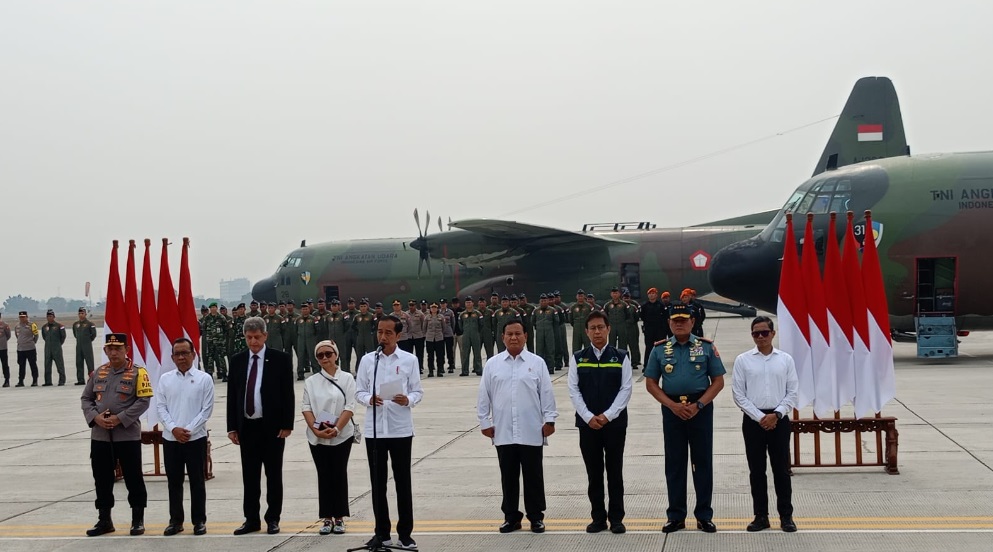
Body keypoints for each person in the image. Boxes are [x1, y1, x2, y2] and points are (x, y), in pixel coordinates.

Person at [644, 303, 725, 533]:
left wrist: (699, 405)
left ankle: (704, 515)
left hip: (700, 409)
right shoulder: (659, 349)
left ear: (693, 322)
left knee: (702, 463)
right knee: (675, 464)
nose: (679, 323)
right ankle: (676, 516)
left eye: (684, 319)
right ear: (669, 323)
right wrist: (671, 406)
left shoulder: (706, 347)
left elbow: (718, 381)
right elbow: (651, 383)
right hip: (672, 411)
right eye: (675, 320)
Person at [477, 320, 558, 534]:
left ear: (526, 336)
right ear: (502, 337)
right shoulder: (492, 364)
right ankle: (511, 516)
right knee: (508, 476)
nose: (514, 337)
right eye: (510, 334)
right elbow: (483, 395)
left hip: (532, 429)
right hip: (503, 430)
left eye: (518, 333)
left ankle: (536, 517)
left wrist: (550, 420)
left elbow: (547, 394)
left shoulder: (537, 362)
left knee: (533, 475)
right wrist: (485, 422)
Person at [355, 315, 424, 551]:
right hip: (375, 431)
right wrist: (368, 399)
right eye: (379, 332)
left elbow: (417, 391)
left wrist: (408, 400)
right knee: (378, 484)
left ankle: (405, 534)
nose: (382, 337)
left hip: (400, 430)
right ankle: (381, 533)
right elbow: (359, 391)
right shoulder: (367, 360)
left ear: (398, 335)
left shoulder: (409, 360)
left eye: (388, 333)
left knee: (403, 483)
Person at [226, 317, 295, 536]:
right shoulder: (237, 361)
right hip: (247, 427)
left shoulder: (280, 359)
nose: (253, 342)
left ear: (265, 336)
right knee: (250, 476)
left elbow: (288, 395)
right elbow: (232, 397)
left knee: (274, 476)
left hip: (273, 428)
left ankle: (273, 518)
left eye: (257, 337)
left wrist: (287, 424)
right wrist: (232, 427)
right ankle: (251, 519)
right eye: (249, 338)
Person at [80, 333, 153, 537]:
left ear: (126, 350)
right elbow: (86, 399)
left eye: (118, 349)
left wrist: (120, 418)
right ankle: (104, 520)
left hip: (127, 436)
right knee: (102, 478)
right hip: (100, 436)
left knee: (133, 478)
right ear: (105, 351)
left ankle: (137, 520)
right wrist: (96, 417)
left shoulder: (138, 373)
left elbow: (144, 400)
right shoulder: (98, 373)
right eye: (109, 349)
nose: (113, 353)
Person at [567, 311, 633, 534]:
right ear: (586, 332)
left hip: (614, 425)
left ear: (608, 329)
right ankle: (598, 518)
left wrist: (608, 415)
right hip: (588, 426)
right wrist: (588, 416)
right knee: (594, 473)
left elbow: (626, 389)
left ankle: (616, 518)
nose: (597, 332)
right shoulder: (578, 357)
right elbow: (573, 390)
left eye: (600, 327)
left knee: (615, 472)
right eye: (592, 328)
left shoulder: (621, 356)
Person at [731, 316, 798, 533]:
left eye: (764, 333)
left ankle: (786, 516)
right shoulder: (743, 360)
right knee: (757, 471)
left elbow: (793, 392)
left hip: (779, 419)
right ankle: (761, 516)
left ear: (773, 334)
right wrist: (760, 416)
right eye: (756, 333)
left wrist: (776, 414)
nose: (760, 337)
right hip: (753, 421)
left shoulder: (786, 359)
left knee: (781, 470)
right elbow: (738, 394)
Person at [156, 338, 214, 536]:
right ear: (172, 357)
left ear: (193, 354)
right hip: (171, 439)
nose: (181, 357)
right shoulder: (165, 379)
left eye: (185, 353)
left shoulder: (204, 379)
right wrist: (173, 429)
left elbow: (206, 410)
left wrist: (187, 430)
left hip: (195, 438)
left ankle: (199, 521)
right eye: (177, 354)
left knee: (197, 481)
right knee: (174, 481)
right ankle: (175, 521)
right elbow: (161, 407)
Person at [302, 340, 356, 536]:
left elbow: (350, 406)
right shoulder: (311, 381)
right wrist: (316, 430)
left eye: (328, 354)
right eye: (320, 355)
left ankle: (340, 517)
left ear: (336, 355)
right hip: (317, 435)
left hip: (342, 434)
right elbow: (306, 407)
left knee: (339, 473)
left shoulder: (347, 378)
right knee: (323, 475)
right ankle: (326, 517)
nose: (325, 358)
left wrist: (337, 428)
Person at [202, 303, 228, 381]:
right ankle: (210, 374)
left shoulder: (221, 317)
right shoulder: (207, 318)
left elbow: (225, 328)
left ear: (216, 308)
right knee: (210, 358)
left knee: (221, 358)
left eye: (214, 307)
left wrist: (222, 338)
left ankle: (224, 374)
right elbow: (204, 328)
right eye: (211, 307)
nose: (213, 309)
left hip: (220, 342)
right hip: (210, 342)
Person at [458, 297, 484, 376]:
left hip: (475, 334)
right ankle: (465, 371)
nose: (468, 304)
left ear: (473, 303)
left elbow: (481, 324)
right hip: (466, 335)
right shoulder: (462, 314)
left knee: (477, 353)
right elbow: (460, 325)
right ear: (465, 304)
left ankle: (478, 370)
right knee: (465, 353)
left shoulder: (478, 313)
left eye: (470, 302)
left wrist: (476, 331)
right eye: (467, 303)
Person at [41, 309, 67, 386]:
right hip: (48, 348)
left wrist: (58, 344)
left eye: (51, 316)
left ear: (54, 316)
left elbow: (63, 336)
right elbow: (44, 336)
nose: (49, 317)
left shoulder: (59, 326)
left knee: (60, 365)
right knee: (47, 365)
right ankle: (48, 381)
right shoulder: (44, 327)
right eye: (48, 316)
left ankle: (62, 380)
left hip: (57, 348)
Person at [640, 288, 667, 362]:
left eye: (653, 293)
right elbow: (642, 317)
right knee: (649, 348)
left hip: (659, 330)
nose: (651, 295)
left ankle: (662, 363)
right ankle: (647, 365)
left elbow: (665, 317)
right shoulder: (645, 306)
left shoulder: (661, 305)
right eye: (650, 294)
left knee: (661, 347)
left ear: (656, 295)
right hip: (649, 330)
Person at [73, 307, 98, 385]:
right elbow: (75, 334)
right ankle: (80, 380)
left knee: (89, 362)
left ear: (85, 314)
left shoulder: (90, 324)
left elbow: (94, 334)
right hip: (79, 346)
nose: (81, 315)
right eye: (79, 313)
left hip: (87, 346)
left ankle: (91, 379)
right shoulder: (75, 324)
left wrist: (88, 340)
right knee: (79, 362)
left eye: (82, 313)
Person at [14, 311, 39, 387]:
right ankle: (21, 381)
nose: (22, 318)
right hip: (20, 349)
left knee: (33, 365)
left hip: (30, 348)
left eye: (23, 317)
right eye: (21, 317)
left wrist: (32, 342)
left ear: (27, 317)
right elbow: (17, 336)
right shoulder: (17, 326)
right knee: (21, 365)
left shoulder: (32, 325)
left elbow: (36, 335)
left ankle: (35, 381)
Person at [423, 303, 447, 377]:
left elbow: (444, 327)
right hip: (430, 339)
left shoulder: (441, 317)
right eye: (432, 307)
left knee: (439, 355)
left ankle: (439, 371)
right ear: (430, 309)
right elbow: (424, 328)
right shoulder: (427, 317)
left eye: (435, 307)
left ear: (437, 309)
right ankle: (431, 371)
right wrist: (427, 335)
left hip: (439, 338)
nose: (433, 309)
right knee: (430, 356)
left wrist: (440, 334)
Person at [439, 299, 457, 374]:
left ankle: (451, 365)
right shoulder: (438, 312)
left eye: (444, 303)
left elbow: (453, 323)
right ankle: (441, 366)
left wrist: (451, 331)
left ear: (446, 304)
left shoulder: (450, 312)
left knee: (450, 351)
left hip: (448, 333)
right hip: (440, 335)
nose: (442, 305)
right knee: (441, 351)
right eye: (441, 303)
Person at [0, 312, 11, 387]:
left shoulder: (5, 325)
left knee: (4, 365)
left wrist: (3, 341)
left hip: (2, 348)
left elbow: (8, 335)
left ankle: (7, 380)